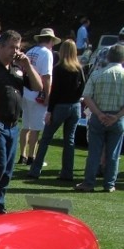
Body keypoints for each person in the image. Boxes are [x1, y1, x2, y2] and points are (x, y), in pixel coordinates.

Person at [0, 30, 41, 214]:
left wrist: (27, 66)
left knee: (8, 168)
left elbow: (39, 87)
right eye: (11, 47)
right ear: (0, 46)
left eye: (17, 47)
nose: (14, 51)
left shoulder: (17, 68)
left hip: (14, 125)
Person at [27, 39, 85, 182]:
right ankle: (67, 172)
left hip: (60, 106)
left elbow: (55, 91)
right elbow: (83, 87)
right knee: (69, 140)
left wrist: (50, 111)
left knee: (46, 138)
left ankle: (35, 169)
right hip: (75, 106)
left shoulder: (59, 69)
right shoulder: (79, 68)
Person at [77, 44, 124, 193]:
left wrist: (98, 113)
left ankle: (89, 182)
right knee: (113, 154)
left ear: (108, 57)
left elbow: (87, 96)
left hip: (99, 116)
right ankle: (109, 184)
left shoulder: (97, 74)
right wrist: (117, 116)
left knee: (94, 152)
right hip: (117, 117)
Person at [18, 28, 58, 166]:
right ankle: (31, 156)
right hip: (37, 92)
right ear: (51, 41)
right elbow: (46, 76)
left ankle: (22, 154)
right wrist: (48, 95)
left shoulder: (31, 51)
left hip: (25, 90)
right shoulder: (47, 53)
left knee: (25, 124)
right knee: (35, 127)